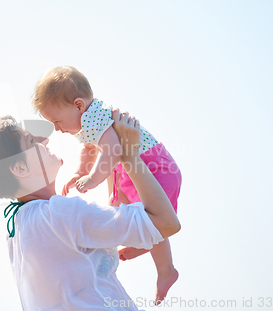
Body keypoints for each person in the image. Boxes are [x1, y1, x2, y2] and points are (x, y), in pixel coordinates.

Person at [0, 110, 180, 310]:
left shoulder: (18, 229)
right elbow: (166, 223)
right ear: (20, 167)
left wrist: (114, 163)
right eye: (30, 141)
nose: (44, 140)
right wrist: (129, 154)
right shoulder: (59, 215)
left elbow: (110, 222)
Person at [32, 66, 182, 304]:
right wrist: (82, 170)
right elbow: (91, 146)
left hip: (154, 166)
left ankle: (166, 269)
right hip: (135, 165)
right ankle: (144, 241)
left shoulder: (94, 116)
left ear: (78, 105)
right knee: (118, 203)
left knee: (150, 214)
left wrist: (92, 179)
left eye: (57, 121)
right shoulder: (89, 119)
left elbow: (112, 148)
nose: (57, 128)